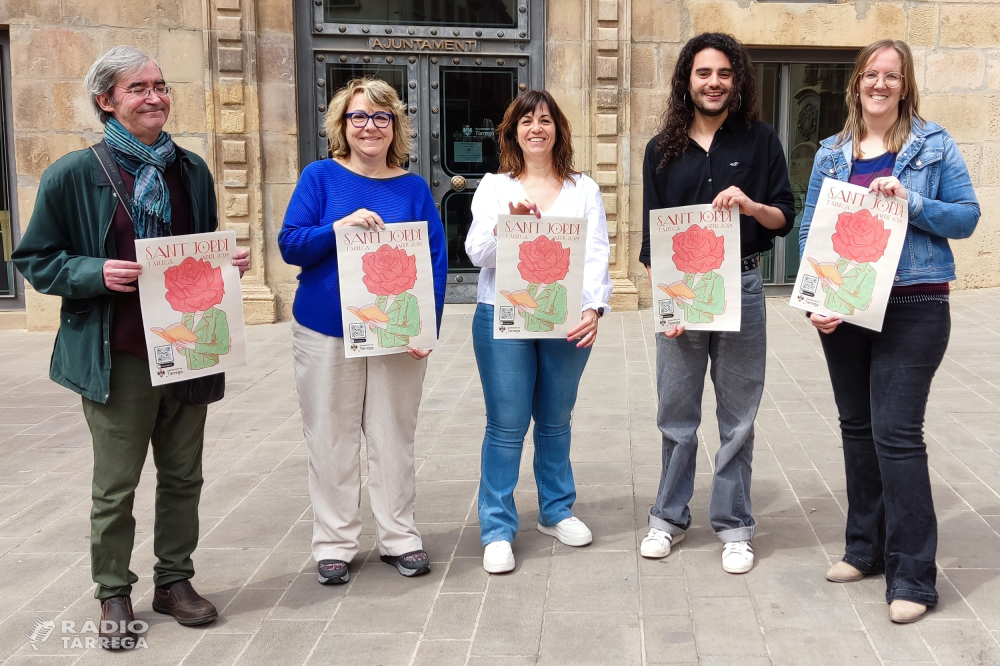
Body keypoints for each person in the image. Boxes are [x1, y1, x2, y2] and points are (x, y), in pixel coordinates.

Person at [12, 46, 250, 649]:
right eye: (138, 87)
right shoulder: (75, 172)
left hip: (189, 348)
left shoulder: (190, 169)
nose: (155, 96)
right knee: (115, 486)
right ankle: (113, 591)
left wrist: (224, 268)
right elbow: (36, 260)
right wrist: (96, 272)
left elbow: (196, 251)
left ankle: (174, 582)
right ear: (106, 101)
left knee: (183, 477)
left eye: (161, 85)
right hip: (117, 353)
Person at [799, 39, 979, 624]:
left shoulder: (933, 144)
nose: (880, 84)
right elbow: (810, 230)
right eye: (871, 75)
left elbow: (968, 216)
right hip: (845, 310)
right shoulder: (830, 153)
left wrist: (914, 201)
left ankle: (914, 578)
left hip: (914, 304)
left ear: (905, 87)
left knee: (896, 435)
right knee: (857, 428)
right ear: (856, 83)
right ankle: (864, 549)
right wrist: (816, 302)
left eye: (892, 76)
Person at [278, 78, 448, 584]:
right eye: (358, 117)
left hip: (395, 333)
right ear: (342, 125)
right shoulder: (320, 178)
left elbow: (435, 260)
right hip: (326, 331)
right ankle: (335, 542)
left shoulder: (413, 187)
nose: (369, 127)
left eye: (380, 118)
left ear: (395, 126)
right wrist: (337, 228)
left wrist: (426, 326)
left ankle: (399, 535)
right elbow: (290, 244)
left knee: (394, 434)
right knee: (330, 436)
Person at [639, 33, 795, 574]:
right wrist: (668, 307)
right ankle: (668, 518)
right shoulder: (661, 149)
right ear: (688, 79)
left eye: (724, 73)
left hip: (744, 289)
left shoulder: (761, 141)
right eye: (704, 73)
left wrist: (751, 206)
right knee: (675, 413)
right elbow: (652, 243)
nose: (714, 82)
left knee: (739, 417)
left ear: (737, 80)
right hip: (682, 296)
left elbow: (783, 217)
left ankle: (734, 526)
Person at [466, 90, 612, 573]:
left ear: (558, 130)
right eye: (526, 121)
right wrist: (509, 226)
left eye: (545, 120)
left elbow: (595, 254)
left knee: (555, 419)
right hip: (502, 316)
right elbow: (476, 254)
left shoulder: (583, 189)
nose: (536, 128)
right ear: (512, 132)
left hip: (565, 318)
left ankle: (555, 511)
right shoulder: (494, 186)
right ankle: (497, 528)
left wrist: (594, 308)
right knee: (506, 426)